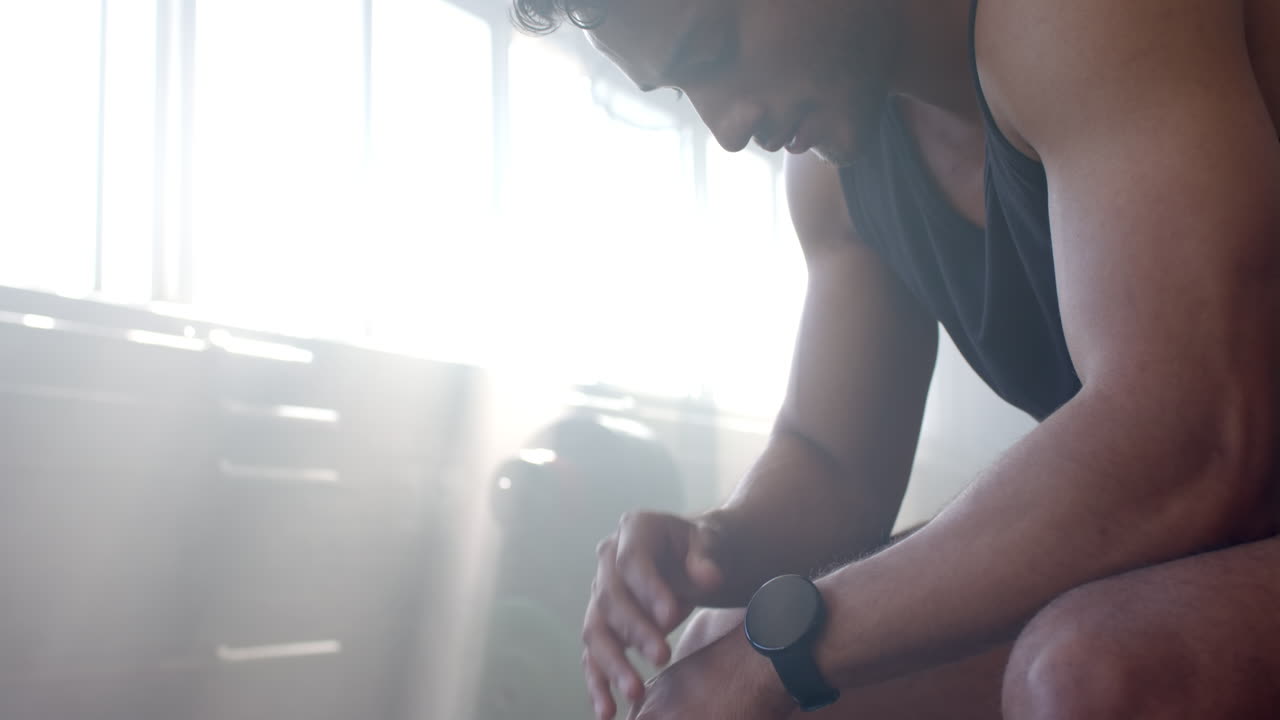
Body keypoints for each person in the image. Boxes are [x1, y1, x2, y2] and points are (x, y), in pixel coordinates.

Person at [511, 0, 1280, 717]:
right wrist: (717, 544)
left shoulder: (1079, 17)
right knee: (721, 641)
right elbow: (832, 465)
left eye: (713, 50)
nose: (727, 128)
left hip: (1229, 503)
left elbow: (1190, 434)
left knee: (1084, 669)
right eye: (684, 91)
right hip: (1224, 532)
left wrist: (772, 659)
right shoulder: (836, 162)